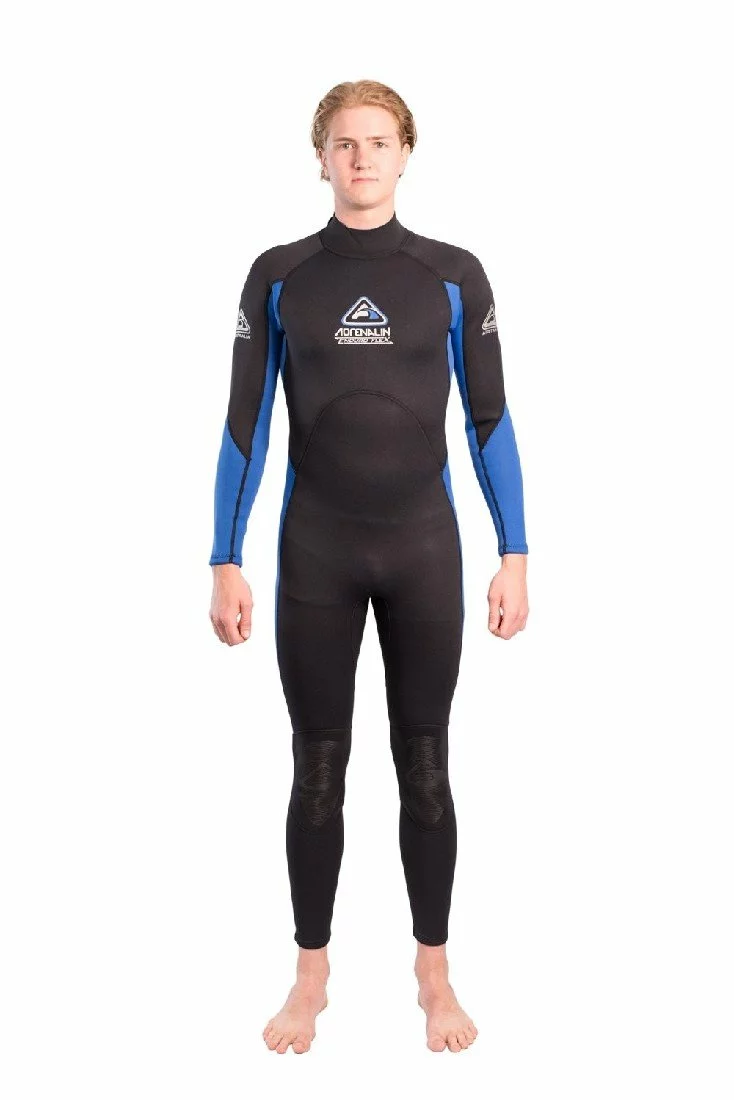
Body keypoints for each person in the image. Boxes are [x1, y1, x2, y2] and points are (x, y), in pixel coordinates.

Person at [208, 79, 529, 1054]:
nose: (360, 158)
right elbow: (244, 424)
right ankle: (311, 976)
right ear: (320, 158)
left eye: (378, 142)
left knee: (425, 766)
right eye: (344, 143)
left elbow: (489, 420)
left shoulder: (452, 275)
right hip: (316, 550)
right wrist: (224, 556)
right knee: (317, 767)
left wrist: (514, 549)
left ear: (404, 154)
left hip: (424, 550)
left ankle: (434, 973)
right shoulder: (279, 276)